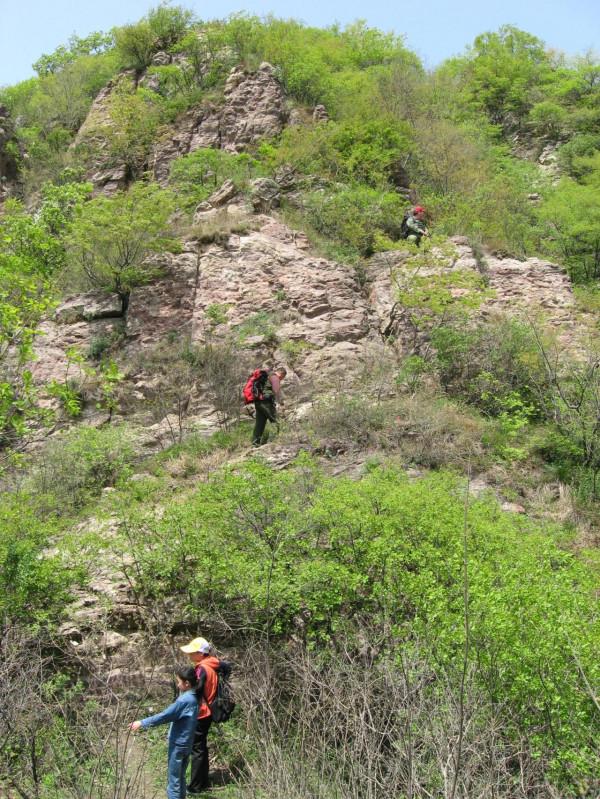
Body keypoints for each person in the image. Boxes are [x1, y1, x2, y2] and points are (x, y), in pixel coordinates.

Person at [129, 666, 200, 799]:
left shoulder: (184, 700)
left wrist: (142, 723)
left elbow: (165, 716)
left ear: (187, 683)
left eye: (179, 682)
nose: (177, 685)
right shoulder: (195, 696)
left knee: (173, 782)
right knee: (181, 778)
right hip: (187, 743)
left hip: (178, 745)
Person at [180, 637, 221, 795]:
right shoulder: (212, 663)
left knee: (197, 749)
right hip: (208, 711)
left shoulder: (202, 668)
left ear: (200, 653)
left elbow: (196, 691)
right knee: (201, 747)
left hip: (202, 712)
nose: (189, 655)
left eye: (192, 652)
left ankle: (196, 786)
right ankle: (203, 781)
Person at [251, 366, 287, 447]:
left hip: (258, 402)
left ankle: (255, 444)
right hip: (266, 403)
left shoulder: (268, 377)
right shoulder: (275, 378)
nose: (281, 380)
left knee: (259, 424)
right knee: (276, 421)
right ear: (282, 374)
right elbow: (276, 390)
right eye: (282, 378)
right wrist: (281, 403)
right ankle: (273, 442)